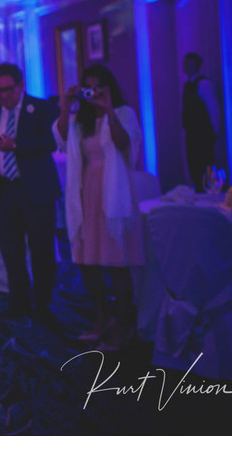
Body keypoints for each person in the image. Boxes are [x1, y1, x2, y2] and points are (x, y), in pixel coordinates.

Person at [54, 64, 144, 350]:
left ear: (108, 88)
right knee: (87, 261)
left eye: (97, 87)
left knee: (117, 263)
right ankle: (102, 316)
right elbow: (61, 139)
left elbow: (125, 145)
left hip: (113, 192)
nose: (92, 92)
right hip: (86, 192)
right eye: (87, 87)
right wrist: (66, 106)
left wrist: (109, 111)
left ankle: (124, 324)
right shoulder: (81, 119)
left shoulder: (124, 113)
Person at [0, 63, 61, 321]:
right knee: (11, 250)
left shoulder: (41, 108)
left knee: (42, 249)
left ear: (20, 86)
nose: (4, 96)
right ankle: (19, 302)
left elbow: (50, 142)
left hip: (35, 189)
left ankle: (44, 304)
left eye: (8, 90)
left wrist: (15, 145)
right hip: (4, 190)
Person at [182, 52, 220, 192]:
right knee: (193, 163)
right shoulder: (188, 85)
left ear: (197, 65)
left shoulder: (203, 84)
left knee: (205, 162)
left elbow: (213, 108)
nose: (187, 67)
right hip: (191, 132)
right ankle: (198, 188)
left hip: (203, 132)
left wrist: (215, 130)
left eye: (190, 64)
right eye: (185, 64)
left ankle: (209, 190)